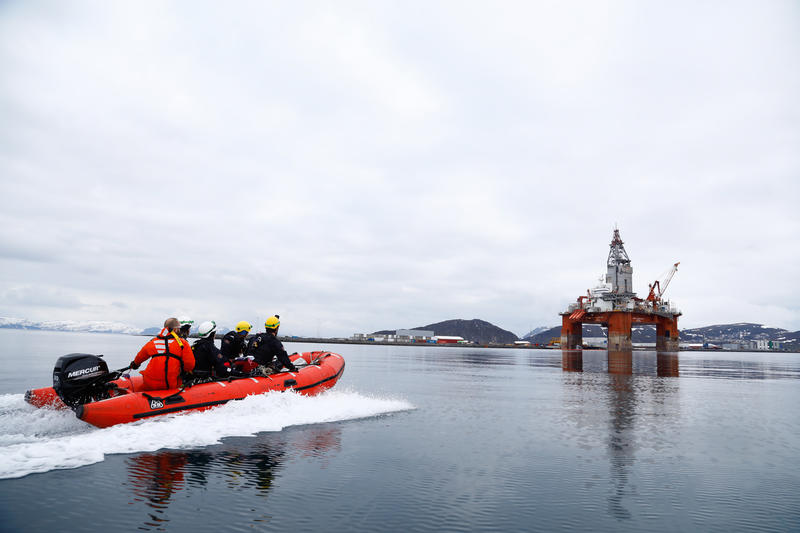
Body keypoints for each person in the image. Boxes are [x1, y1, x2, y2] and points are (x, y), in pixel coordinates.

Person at [130, 317, 196, 391]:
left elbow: (139, 357)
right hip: (170, 385)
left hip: (149, 383)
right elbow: (189, 365)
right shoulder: (182, 343)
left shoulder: (153, 342)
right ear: (176, 329)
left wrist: (135, 364)